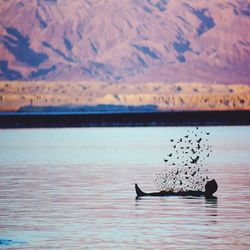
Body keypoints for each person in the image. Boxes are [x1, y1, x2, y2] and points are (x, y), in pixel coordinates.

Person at [135, 179, 218, 199]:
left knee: (163, 193)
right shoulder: (203, 194)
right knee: (164, 193)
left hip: (178, 195)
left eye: (208, 183)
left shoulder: (203, 194)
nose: (206, 183)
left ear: (210, 188)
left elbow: (190, 195)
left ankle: (144, 195)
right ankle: (144, 194)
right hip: (179, 194)